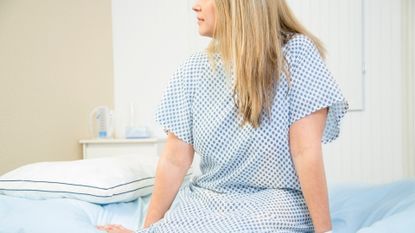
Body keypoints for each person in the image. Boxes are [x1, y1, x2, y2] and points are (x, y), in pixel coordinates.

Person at [97, 0, 348, 232]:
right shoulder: (194, 69)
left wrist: (324, 231)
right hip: (206, 201)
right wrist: (148, 229)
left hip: (275, 202)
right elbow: (174, 160)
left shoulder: (297, 54)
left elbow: (305, 150)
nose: (195, 6)